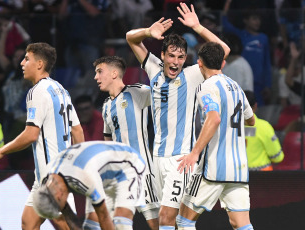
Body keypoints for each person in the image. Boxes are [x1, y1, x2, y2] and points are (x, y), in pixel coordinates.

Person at [126, 3, 230, 229]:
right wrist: (147, 32)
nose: (175, 62)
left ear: (186, 58)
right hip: (157, 159)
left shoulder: (192, 75)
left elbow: (223, 50)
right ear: (162, 55)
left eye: (180, 57)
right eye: (171, 56)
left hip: (180, 160)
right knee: (176, 223)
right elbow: (130, 37)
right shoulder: (154, 68)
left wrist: (198, 27)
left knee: (165, 217)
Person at [0, 42, 84, 229]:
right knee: (28, 222)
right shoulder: (61, 90)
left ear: (39, 64)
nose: (22, 63)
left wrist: (2, 151)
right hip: (48, 176)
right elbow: (78, 131)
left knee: (66, 225)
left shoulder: (37, 92)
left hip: (52, 176)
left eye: (27, 59)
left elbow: (31, 134)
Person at [176, 42, 255, 230]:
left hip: (213, 167)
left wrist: (195, 153)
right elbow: (251, 121)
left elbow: (214, 118)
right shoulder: (236, 86)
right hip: (238, 168)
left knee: (184, 221)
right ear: (223, 63)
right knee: (241, 224)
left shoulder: (207, 86)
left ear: (200, 63)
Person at [94, 56, 160, 229]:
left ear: (114, 73)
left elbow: (164, 95)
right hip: (121, 176)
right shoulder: (106, 105)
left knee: (159, 225)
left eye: (100, 72)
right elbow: (108, 141)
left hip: (144, 174)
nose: (96, 77)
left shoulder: (136, 92)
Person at [32, 141, 146, 230]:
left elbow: (103, 216)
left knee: (121, 224)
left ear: (58, 196)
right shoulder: (46, 182)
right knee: (90, 227)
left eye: (59, 208)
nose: (62, 210)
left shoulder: (83, 177)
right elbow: (68, 214)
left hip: (128, 166)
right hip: (101, 174)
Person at [222, 0, 272, 106]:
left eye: (258, 19)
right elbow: (225, 25)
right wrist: (227, 6)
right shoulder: (241, 35)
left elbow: (267, 62)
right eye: (254, 19)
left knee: (256, 111)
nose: (257, 22)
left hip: (259, 83)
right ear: (246, 20)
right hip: (242, 81)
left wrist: (268, 85)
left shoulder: (263, 38)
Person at [244, 91, 284, 171]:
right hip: (262, 177)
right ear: (255, 106)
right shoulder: (264, 127)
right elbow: (277, 157)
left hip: (236, 177)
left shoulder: (227, 127)